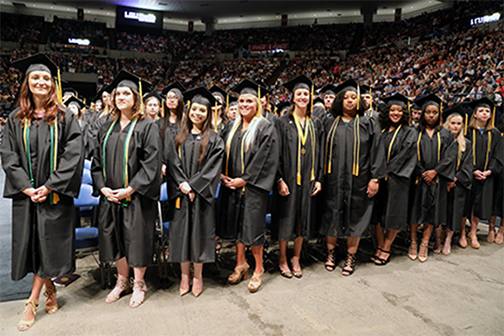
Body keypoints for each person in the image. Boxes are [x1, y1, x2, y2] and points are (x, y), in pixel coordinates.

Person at [1, 53, 84, 331]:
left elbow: (73, 155)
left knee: (48, 244)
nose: (41, 82)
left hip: (54, 196)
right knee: (35, 246)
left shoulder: (65, 117)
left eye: (46, 78)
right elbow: (8, 155)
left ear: (53, 84)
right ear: (27, 83)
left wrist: (50, 185)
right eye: (35, 77)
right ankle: (50, 290)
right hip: (27, 196)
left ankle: (31, 300)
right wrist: (25, 187)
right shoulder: (15, 119)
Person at [91, 70, 162, 308]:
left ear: (135, 98)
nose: (121, 97)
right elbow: (96, 163)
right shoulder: (105, 127)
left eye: (126, 93)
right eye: (117, 93)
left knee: (137, 239)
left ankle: (139, 283)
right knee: (116, 238)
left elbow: (151, 163)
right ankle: (122, 280)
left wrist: (130, 189)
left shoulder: (147, 126)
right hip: (110, 196)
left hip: (136, 197)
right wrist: (102, 188)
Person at [320, 79, 387, 276]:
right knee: (331, 215)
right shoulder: (328, 122)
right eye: (346, 98)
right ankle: (331, 253)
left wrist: (375, 179)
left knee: (356, 217)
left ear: (359, 102)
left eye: (353, 98)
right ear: (339, 101)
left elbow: (377, 151)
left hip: (359, 180)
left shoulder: (368, 123)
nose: (349, 101)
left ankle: (351, 255)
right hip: (333, 180)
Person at [219, 79, 279, 293]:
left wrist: (244, 179)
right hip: (232, 186)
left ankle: (259, 268)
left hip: (253, 187)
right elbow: (221, 152)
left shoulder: (265, 127)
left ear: (258, 104)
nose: (244, 104)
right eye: (241, 100)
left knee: (253, 229)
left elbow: (266, 158)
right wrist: (222, 175)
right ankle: (240, 263)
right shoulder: (231, 127)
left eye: (249, 101)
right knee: (237, 226)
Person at [165, 87, 224, 297]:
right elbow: (172, 163)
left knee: (199, 235)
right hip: (181, 196)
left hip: (201, 197)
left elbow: (213, 168)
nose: (197, 113)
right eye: (195, 109)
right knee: (181, 236)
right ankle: (184, 276)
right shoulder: (178, 136)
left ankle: (198, 276)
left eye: (202, 110)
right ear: (189, 110)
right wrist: (182, 184)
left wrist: (194, 186)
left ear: (208, 114)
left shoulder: (215, 139)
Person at [273, 75, 323, 279]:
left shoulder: (316, 123)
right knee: (286, 219)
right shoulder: (282, 122)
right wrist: (279, 179)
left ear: (310, 97)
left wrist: (319, 178)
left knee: (303, 218)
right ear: (292, 97)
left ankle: (296, 257)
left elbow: (321, 152)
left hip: (309, 179)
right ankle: (283, 257)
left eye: (306, 94)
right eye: (299, 94)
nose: (302, 97)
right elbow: (275, 152)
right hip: (288, 179)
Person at [408, 94, 457, 262]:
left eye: (434, 112)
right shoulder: (413, 132)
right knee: (415, 212)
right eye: (428, 112)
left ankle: (424, 243)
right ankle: (413, 241)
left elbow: (450, 156)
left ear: (439, 114)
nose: (431, 115)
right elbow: (409, 154)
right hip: (417, 179)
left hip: (437, 180)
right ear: (422, 113)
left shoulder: (446, 134)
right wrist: (422, 172)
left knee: (431, 213)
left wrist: (435, 172)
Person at [371, 94, 417, 265]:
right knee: (377, 213)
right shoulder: (381, 130)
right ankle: (380, 244)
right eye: (392, 110)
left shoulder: (409, 132)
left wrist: (385, 170)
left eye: (399, 110)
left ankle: (386, 248)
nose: (396, 113)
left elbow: (405, 154)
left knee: (393, 215)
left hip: (398, 179)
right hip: (379, 178)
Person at [462, 97, 502, 248]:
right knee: (465, 204)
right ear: (475, 114)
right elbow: (461, 152)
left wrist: (489, 171)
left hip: (486, 176)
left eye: (487, 111)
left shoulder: (495, 133)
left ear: (491, 115)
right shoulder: (466, 131)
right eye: (481, 111)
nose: (484, 113)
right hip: (468, 174)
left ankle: (473, 233)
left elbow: (498, 155)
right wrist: (472, 170)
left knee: (478, 205)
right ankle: (461, 232)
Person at [441, 106, 473, 254]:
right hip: (441, 182)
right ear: (448, 124)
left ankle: (448, 238)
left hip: (458, 184)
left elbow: (468, 165)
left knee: (455, 211)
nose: (456, 126)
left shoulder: (466, 144)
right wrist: (446, 178)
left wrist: (456, 178)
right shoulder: (440, 140)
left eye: (459, 123)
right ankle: (437, 237)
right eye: (453, 123)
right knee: (440, 210)